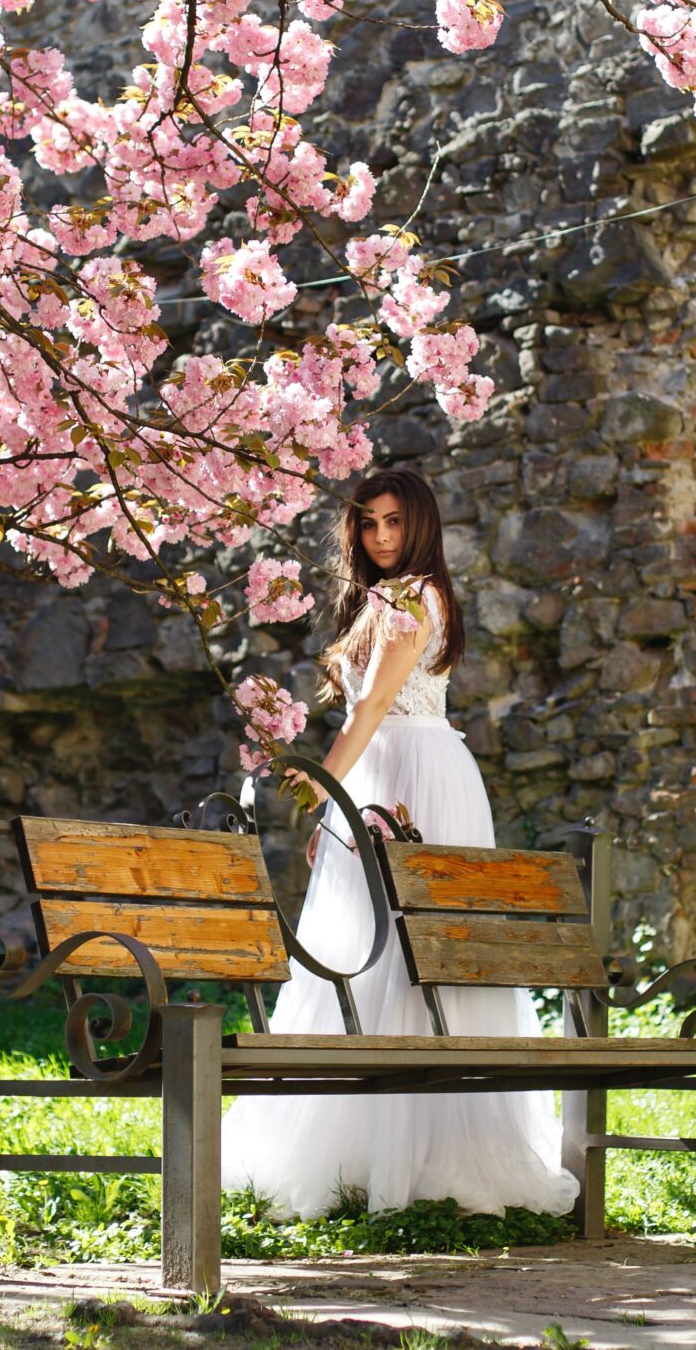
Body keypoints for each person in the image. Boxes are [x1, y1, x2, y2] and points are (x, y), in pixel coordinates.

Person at [222, 467, 579, 1220]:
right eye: (367, 523)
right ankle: (354, 1148)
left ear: (419, 525)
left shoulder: (413, 596)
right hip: (388, 766)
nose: (380, 535)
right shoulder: (385, 600)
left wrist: (324, 794)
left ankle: (425, 1155)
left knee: (415, 957)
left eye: (393, 521)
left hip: (412, 770)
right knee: (361, 947)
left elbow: (377, 703)